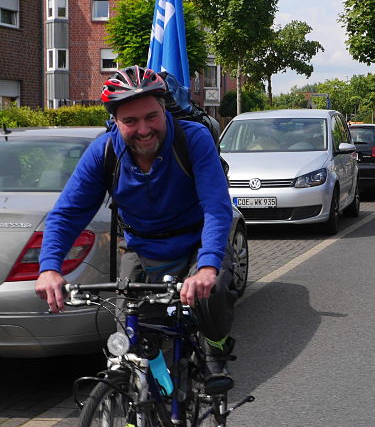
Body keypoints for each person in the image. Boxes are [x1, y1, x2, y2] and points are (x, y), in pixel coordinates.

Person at [35, 65, 237, 395]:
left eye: (151, 117)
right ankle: (156, 404)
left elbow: (216, 208)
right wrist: (49, 269)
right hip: (143, 248)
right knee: (131, 339)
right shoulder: (104, 151)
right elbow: (67, 214)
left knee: (209, 294)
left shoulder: (192, 139)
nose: (144, 129)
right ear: (115, 122)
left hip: (197, 243)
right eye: (130, 121)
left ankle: (216, 349)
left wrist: (208, 267)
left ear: (164, 109)